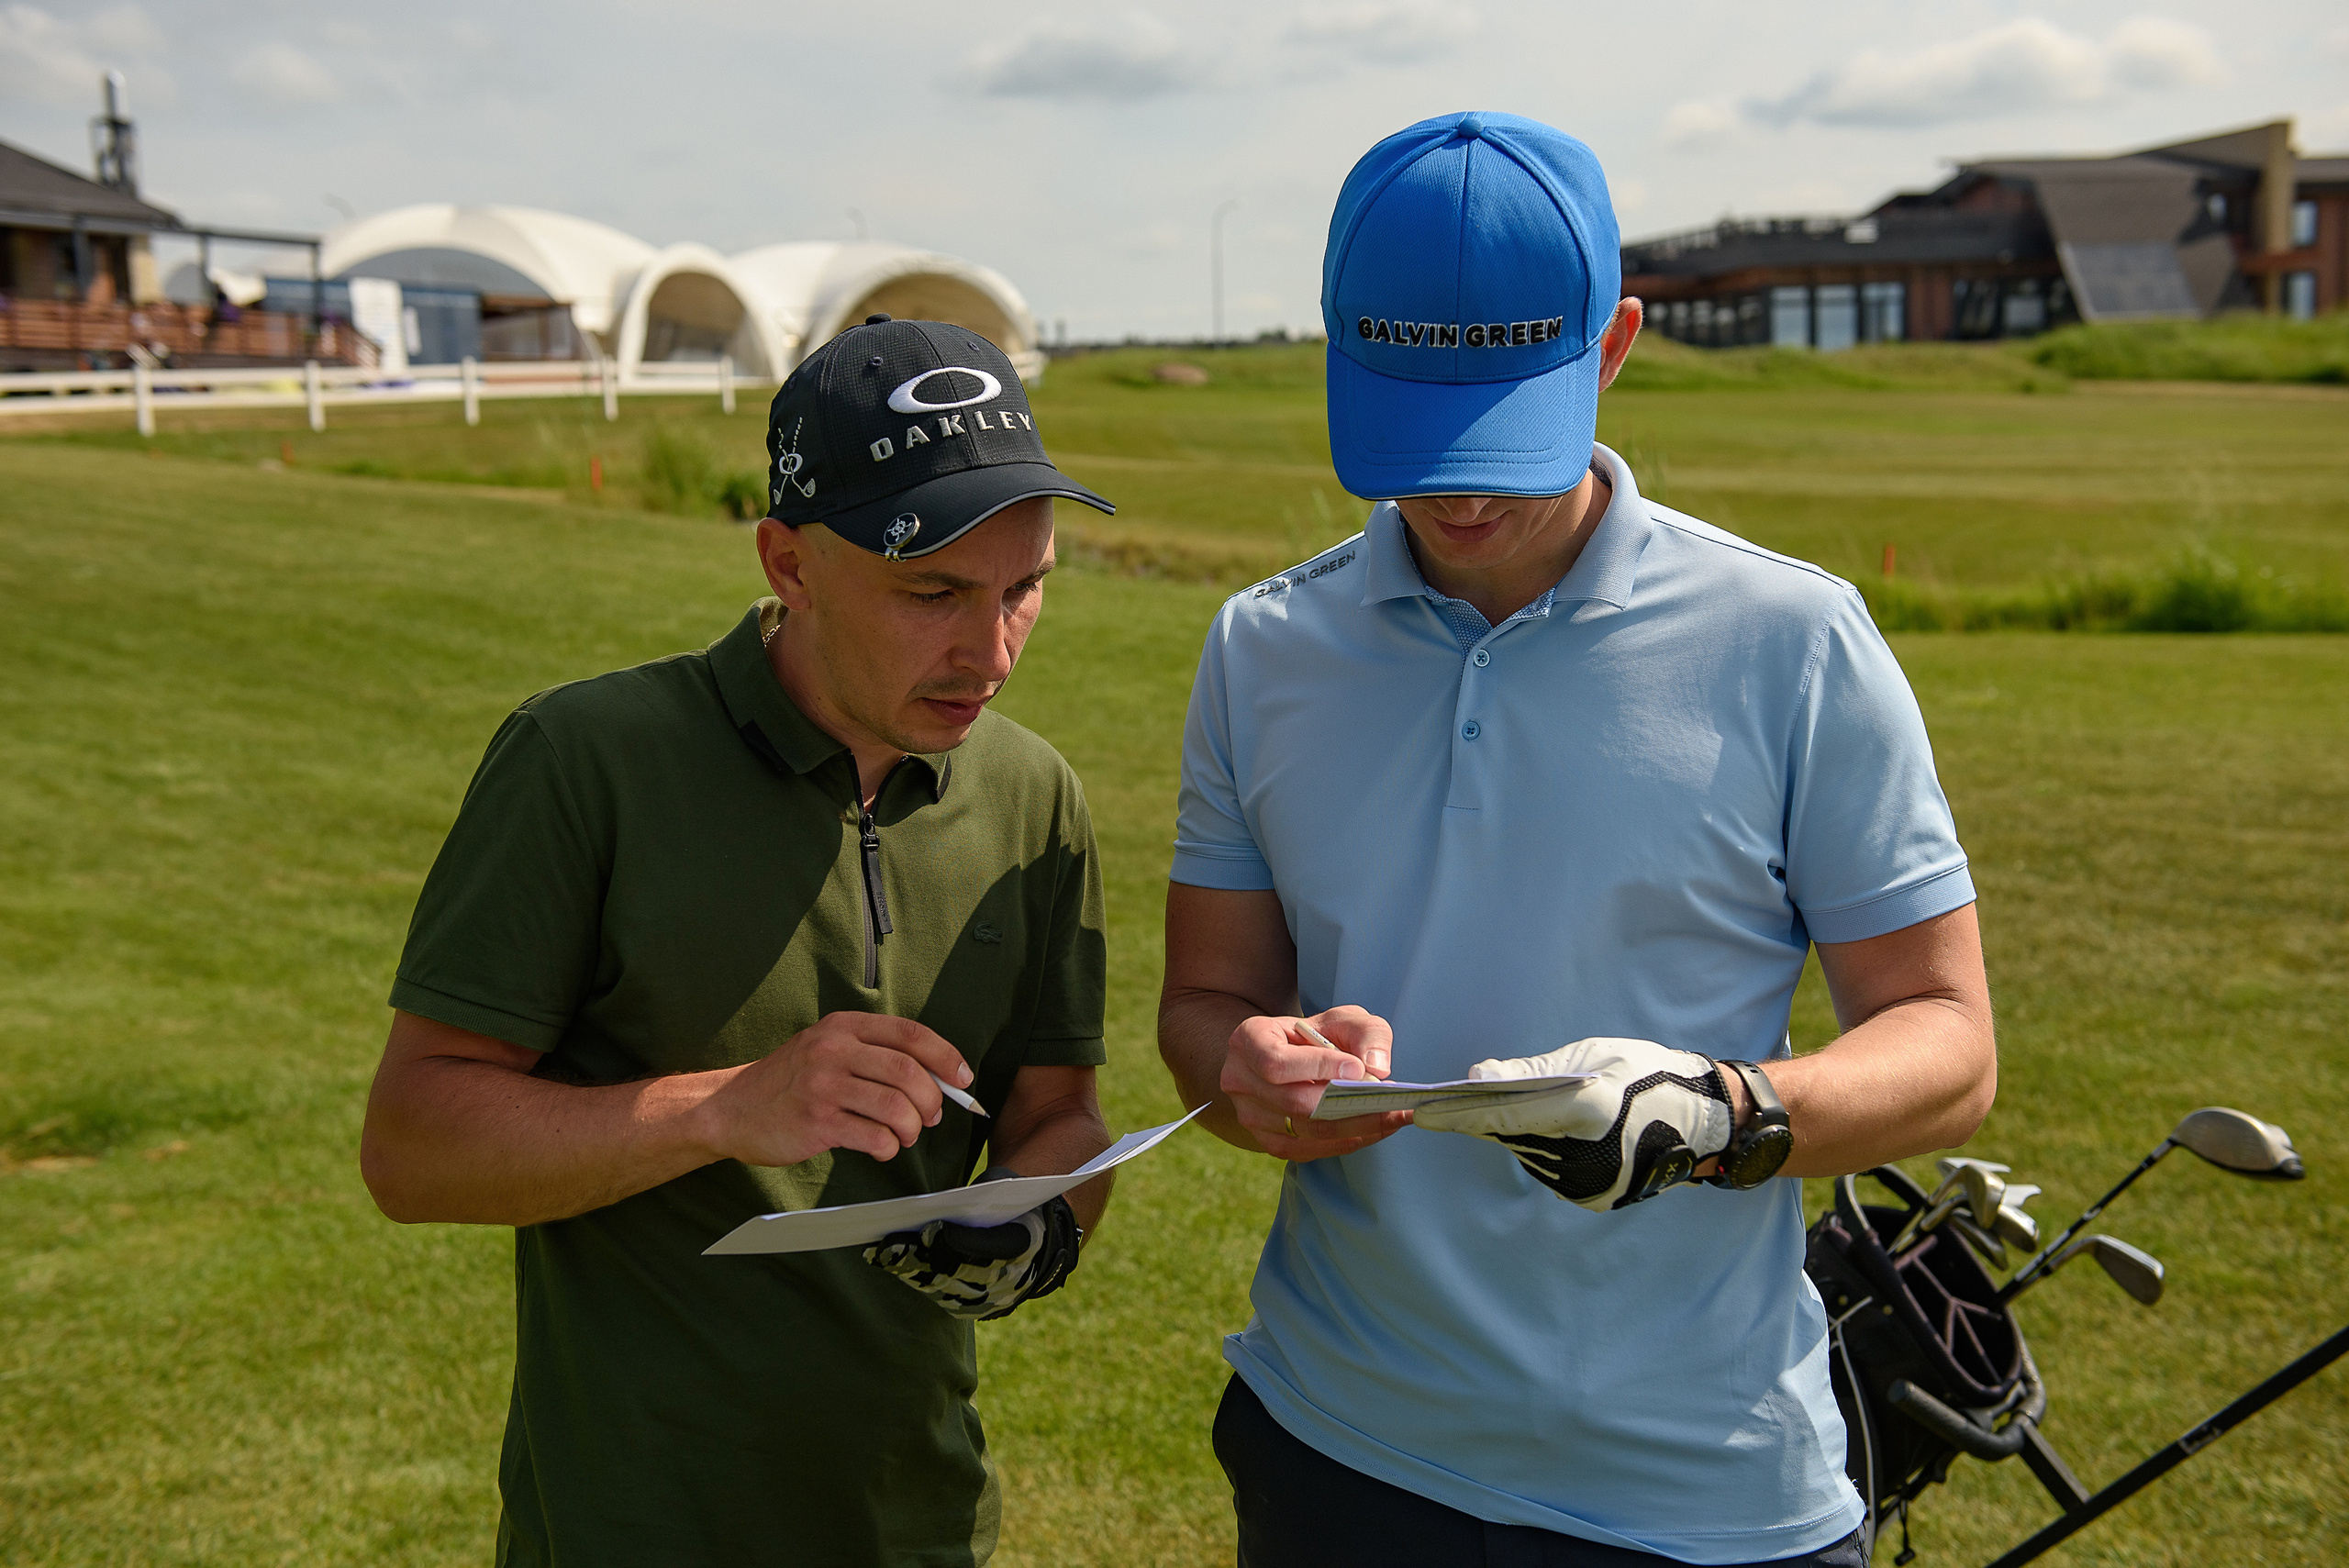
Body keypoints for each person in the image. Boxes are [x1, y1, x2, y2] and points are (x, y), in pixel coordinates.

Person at [1159, 113, 1996, 1567]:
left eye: (1503, 431)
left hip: (1702, 1495)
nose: (1461, 491)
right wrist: (1248, 1072)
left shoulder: (1795, 640)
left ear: (1613, 348)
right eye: (1417, 431)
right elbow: (1205, 1006)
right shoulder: (1263, 646)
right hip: (1337, 1446)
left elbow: (1949, 1043)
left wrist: (1723, 1113)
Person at [362, 316, 1121, 1567]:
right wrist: (723, 1108)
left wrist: (1042, 1223)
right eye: (933, 591)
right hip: (628, 1533)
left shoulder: (1036, 798)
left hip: (919, 1525)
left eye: (1023, 588)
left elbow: (1064, 1115)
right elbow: (411, 1149)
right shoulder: (584, 761)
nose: (989, 652)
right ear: (789, 562)